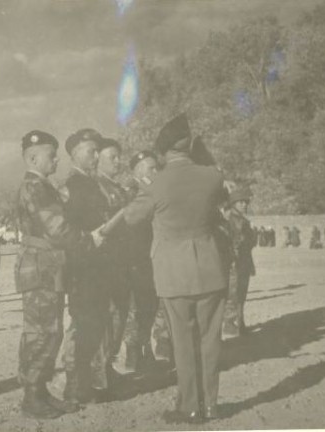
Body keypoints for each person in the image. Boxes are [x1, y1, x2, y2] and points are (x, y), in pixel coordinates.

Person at [123, 113, 229, 424]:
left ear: (163, 150)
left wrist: (143, 187)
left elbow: (131, 219)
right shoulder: (212, 175)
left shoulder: (155, 184)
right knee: (210, 341)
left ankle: (189, 406)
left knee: (182, 342)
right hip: (210, 266)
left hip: (173, 272)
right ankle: (212, 405)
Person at [14, 130, 103, 419]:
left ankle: (40, 392)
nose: (56, 160)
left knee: (50, 330)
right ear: (33, 157)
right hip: (41, 267)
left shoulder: (44, 186)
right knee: (41, 332)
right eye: (52, 156)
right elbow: (57, 227)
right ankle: (31, 396)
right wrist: (88, 240)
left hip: (48, 266)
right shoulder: (35, 187)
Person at [62, 128, 114, 404]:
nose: (96, 156)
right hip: (82, 267)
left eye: (97, 151)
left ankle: (92, 380)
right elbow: (68, 232)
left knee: (96, 322)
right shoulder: (71, 186)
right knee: (82, 324)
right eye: (91, 151)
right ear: (74, 153)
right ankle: (75, 385)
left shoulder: (92, 183)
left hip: (98, 266)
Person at [123, 150, 172, 372]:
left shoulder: (154, 190)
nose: (156, 172)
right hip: (133, 258)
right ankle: (134, 355)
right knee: (135, 309)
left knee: (150, 306)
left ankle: (147, 352)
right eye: (151, 168)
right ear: (138, 170)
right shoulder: (129, 192)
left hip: (152, 257)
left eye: (157, 168)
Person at [95, 137, 132, 372]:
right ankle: (100, 372)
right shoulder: (95, 187)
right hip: (104, 262)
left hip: (120, 260)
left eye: (119, 157)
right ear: (98, 159)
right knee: (105, 316)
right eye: (112, 157)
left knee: (119, 313)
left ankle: (107, 366)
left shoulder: (117, 188)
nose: (118, 162)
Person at [221, 186, 256, 338]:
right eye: (240, 202)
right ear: (233, 203)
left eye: (246, 202)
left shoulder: (239, 219)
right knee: (234, 294)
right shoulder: (234, 219)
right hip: (236, 263)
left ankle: (239, 324)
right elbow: (237, 242)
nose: (244, 205)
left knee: (239, 295)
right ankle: (232, 325)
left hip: (242, 262)